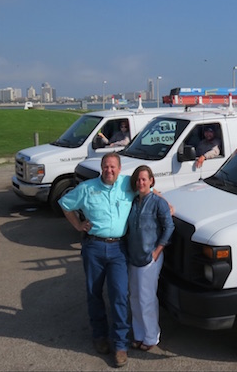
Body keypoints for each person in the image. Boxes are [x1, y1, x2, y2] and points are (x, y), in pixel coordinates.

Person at [59, 152, 133, 368]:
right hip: (94, 247)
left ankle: (120, 344)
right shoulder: (87, 188)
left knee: (119, 294)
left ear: (119, 169)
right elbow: (65, 204)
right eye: (106, 167)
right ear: (101, 168)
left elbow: (147, 187)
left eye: (113, 167)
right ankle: (100, 336)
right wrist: (77, 225)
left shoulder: (127, 184)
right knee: (94, 293)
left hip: (119, 248)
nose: (109, 170)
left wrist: (164, 203)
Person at [127, 165, 175, 352]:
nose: (141, 183)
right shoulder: (133, 202)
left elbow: (169, 227)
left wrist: (158, 251)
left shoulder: (157, 202)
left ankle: (151, 336)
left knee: (147, 298)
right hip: (133, 257)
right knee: (135, 297)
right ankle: (139, 334)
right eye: (138, 179)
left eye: (144, 179)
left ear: (151, 181)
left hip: (150, 258)